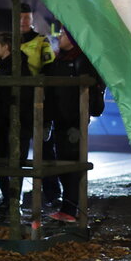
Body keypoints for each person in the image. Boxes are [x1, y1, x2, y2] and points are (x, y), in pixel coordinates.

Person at [41, 28, 102, 221]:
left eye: (63, 34)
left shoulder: (82, 60)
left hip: (73, 122)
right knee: (62, 163)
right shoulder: (59, 60)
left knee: (72, 164)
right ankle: (68, 208)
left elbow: (90, 90)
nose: (59, 37)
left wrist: (81, 118)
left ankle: (71, 210)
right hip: (59, 120)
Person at [0, 32, 32, 216]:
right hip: (2, 122)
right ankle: (9, 199)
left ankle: (13, 202)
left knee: (14, 164)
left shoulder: (19, 66)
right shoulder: (2, 66)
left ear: (6, 46)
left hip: (15, 123)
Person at [18, 4, 55, 76]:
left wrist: (39, 83)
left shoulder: (42, 40)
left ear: (32, 20)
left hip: (32, 84)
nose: (22, 21)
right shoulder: (8, 40)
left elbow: (49, 65)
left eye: (27, 18)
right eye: (19, 17)